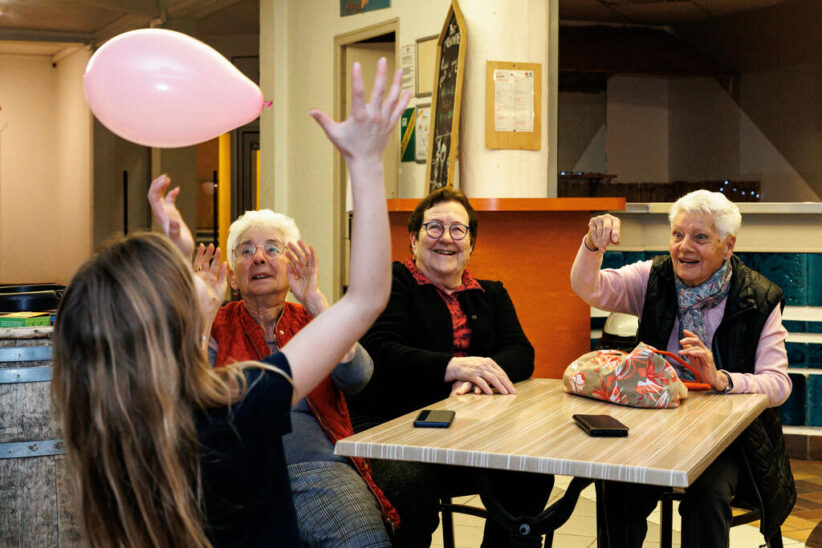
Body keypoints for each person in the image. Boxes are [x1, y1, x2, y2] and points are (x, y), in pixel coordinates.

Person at [50, 57, 410, 548]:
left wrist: (174, 258)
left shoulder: (105, 444)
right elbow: (366, 298)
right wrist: (365, 163)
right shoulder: (238, 406)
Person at [569, 189, 795, 548]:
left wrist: (721, 379)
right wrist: (592, 246)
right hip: (654, 428)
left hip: (728, 438)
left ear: (729, 244)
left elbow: (779, 384)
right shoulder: (653, 278)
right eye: (678, 234)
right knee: (617, 485)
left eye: (700, 237)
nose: (683, 247)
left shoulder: (760, 296)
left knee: (707, 496)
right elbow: (589, 287)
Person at [347, 187, 554, 548]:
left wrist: (476, 377)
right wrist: (455, 368)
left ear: (471, 244)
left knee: (532, 476)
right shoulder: (391, 282)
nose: (446, 238)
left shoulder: (492, 293)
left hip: (466, 434)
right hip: (391, 432)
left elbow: (522, 353)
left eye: (458, 230)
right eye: (434, 227)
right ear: (413, 239)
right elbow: (379, 351)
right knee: (411, 493)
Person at [192, 206, 398, 547]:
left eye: (273, 248)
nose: (259, 258)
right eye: (246, 251)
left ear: (292, 266)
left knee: (364, 542)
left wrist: (315, 300)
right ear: (231, 276)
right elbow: (187, 397)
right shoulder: (214, 325)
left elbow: (358, 376)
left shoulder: (313, 319)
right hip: (238, 474)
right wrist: (202, 313)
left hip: (321, 471)